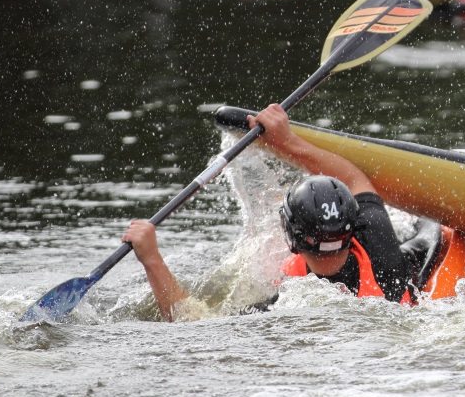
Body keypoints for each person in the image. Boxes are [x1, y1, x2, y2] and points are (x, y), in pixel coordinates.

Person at [122, 104, 445, 321]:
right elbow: (355, 178)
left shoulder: (284, 304)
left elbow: (193, 324)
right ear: (352, 227)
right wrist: (287, 142)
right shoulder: (378, 248)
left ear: (292, 238)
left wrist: (151, 258)